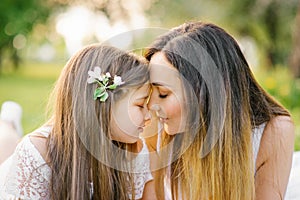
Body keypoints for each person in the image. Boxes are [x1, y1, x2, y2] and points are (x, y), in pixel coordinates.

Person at [144, 22, 295, 200]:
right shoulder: (155, 127)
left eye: (163, 94)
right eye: (149, 92)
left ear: (206, 93)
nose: (151, 105)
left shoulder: (274, 131)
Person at [0, 44, 154, 199]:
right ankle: (8, 119)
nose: (148, 116)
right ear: (105, 105)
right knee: (6, 144)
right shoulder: (37, 153)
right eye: (140, 105)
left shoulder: (136, 152)